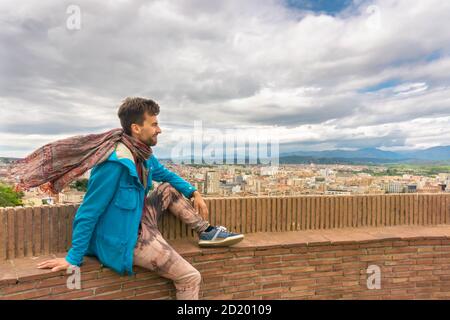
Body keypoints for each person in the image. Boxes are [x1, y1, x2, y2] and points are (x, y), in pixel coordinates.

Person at [26, 97, 244, 300]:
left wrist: (193, 192)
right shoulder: (114, 165)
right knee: (190, 277)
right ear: (136, 128)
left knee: (168, 188)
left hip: (139, 221)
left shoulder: (143, 154)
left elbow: (165, 175)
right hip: (128, 239)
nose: (159, 129)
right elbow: (89, 211)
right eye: (154, 124)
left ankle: (206, 232)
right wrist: (73, 258)